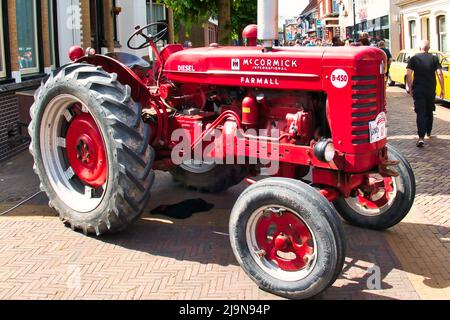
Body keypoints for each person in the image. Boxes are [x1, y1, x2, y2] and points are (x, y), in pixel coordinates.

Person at [406, 40, 445, 148]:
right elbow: (439, 74)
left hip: (418, 89)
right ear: (429, 48)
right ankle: (429, 131)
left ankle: (421, 137)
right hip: (430, 89)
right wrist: (442, 89)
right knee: (429, 109)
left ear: (420, 47)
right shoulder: (434, 58)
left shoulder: (414, 58)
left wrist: (410, 87)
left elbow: (409, 74)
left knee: (420, 112)